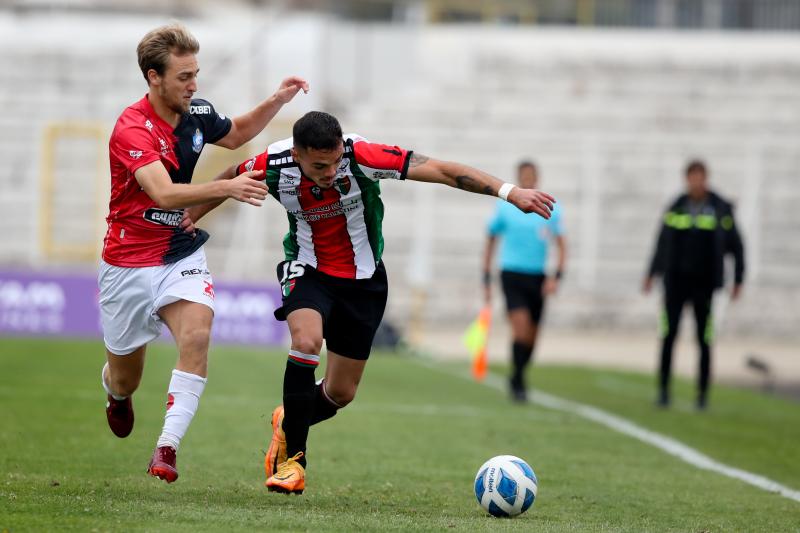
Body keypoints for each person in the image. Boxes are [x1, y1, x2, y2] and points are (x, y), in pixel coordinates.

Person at [188, 111, 555, 494]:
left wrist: (511, 193)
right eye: (318, 166)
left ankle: (289, 420)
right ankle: (293, 463)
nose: (329, 173)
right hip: (308, 268)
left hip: (364, 282)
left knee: (340, 393)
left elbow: (443, 171)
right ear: (297, 155)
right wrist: (189, 217)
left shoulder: (362, 155)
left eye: (333, 163)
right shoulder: (274, 163)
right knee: (306, 341)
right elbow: (230, 176)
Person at [99, 22, 308, 483]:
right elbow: (164, 194)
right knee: (125, 377)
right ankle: (115, 393)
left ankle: (166, 449)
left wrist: (277, 100)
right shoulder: (132, 128)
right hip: (127, 263)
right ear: (153, 78)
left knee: (196, 335)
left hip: (179, 253)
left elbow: (235, 134)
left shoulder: (197, 111)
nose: (194, 85)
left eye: (196, 74)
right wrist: (226, 186)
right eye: (183, 77)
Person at [643, 160, 744, 410]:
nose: (696, 182)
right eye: (692, 177)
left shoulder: (720, 208)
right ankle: (664, 391)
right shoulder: (677, 206)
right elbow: (662, 242)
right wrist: (652, 273)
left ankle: (702, 395)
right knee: (668, 335)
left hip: (705, 286)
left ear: (705, 178)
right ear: (687, 179)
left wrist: (738, 279)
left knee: (705, 339)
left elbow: (736, 246)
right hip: (675, 284)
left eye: (700, 177)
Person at [482, 161, 566, 403]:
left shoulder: (551, 207)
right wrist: (486, 277)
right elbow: (491, 240)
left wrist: (556, 276)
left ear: (537, 177)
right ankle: (518, 380)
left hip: (537, 278)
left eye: (532, 175)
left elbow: (561, 245)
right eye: (524, 175)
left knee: (532, 336)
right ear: (519, 177)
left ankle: (519, 373)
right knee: (520, 328)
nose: (528, 178)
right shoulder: (506, 208)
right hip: (511, 274)